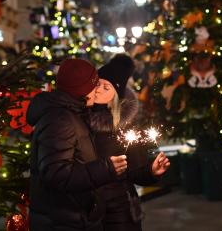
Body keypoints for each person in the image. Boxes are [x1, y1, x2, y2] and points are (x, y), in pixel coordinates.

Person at [26, 58, 128, 231]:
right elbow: (56, 173)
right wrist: (104, 169)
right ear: (82, 90)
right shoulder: (60, 120)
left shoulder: (74, 113)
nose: (97, 91)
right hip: (64, 221)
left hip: (74, 217)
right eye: (94, 86)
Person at [85, 54, 170, 231]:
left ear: (115, 96)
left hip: (119, 209)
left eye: (106, 87)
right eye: (97, 83)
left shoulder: (125, 126)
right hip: (86, 208)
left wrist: (151, 171)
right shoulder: (77, 118)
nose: (99, 89)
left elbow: (136, 170)